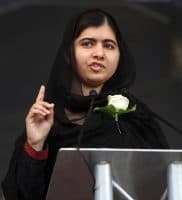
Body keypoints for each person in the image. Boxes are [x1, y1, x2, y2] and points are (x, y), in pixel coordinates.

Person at [1, 9, 168, 200]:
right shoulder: (46, 118)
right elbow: (23, 195)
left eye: (109, 45)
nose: (99, 53)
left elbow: (164, 185)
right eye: (87, 43)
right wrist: (35, 144)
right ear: (68, 54)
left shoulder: (136, 116)